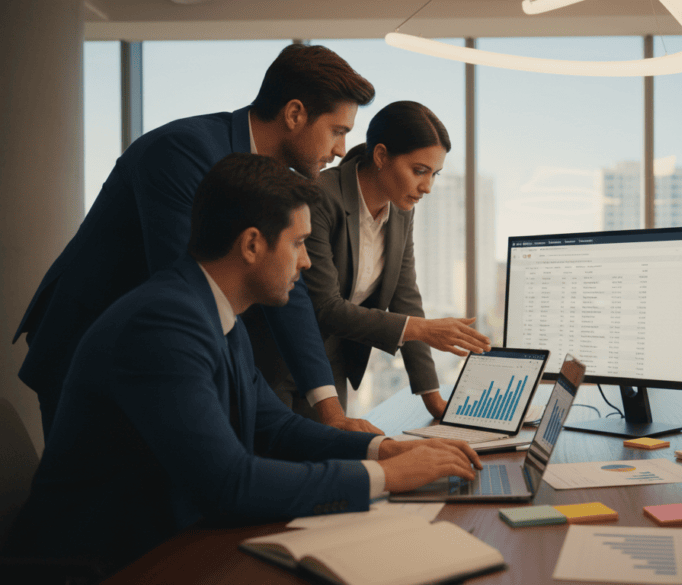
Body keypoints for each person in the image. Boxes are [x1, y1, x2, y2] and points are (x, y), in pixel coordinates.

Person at [4, 154, 482, 579]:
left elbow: (276, 430)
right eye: (298, 244)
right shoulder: (163, 323)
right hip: (107, 562)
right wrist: (388, 479)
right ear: (252, 245)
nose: (306, 264)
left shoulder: (212, 310)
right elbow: (230, 484)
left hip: (171, 540)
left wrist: (382, 450)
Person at [12, 43, 381, 440]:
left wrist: (329, 410)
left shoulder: (268, 177)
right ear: (294, 114)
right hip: (89, 341)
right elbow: (198, 288)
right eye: (338, 131)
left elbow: (291, 294)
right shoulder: (184, 151)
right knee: (96, 496)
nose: (341, 149)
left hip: (156, 343)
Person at [296, 101, 491, 419]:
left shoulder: (402, 213)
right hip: (282, 366)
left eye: (434, 174)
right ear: (381, 156)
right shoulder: (320, 197)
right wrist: (422, 329)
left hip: (331, 365)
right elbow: (324, 307)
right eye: (419, 171)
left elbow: (406, 299)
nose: (427, 187)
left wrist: (434, 400)